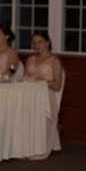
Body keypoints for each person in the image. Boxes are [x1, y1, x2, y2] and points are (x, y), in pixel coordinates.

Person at [24, 30, 63, 160]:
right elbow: (25, 80)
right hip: (31, 96)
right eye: (34, 43)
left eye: (40, 42)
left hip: (47, 97)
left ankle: (40, 149)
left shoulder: (54, 61)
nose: (37, 45)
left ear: (47, 42)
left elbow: (57, 85)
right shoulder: (30, 60)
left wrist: (43, 81)